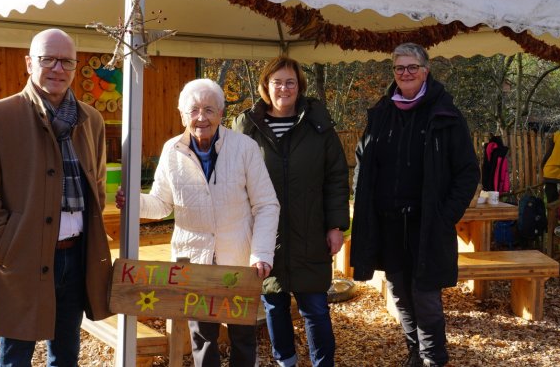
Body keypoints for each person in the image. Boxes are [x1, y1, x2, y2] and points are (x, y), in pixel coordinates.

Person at [0, 28, 112, 366]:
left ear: (75, 67)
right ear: (29, 63)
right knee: (16, 355)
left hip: (77, 255)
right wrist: (2, 244)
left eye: (67, 61)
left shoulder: (91, 120)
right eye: (48, 59)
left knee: (66, 354)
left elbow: (97, 182)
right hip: (21, 256)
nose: (58, 68)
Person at [116, 78, 279, 367]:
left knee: (242, 336)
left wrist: (262, 253)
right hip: (194, 262)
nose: (201, 117)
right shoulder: (172, 150)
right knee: (203, 338)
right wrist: (133, 201)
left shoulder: (245, 147)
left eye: (209, 109)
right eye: (193, 110)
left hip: (239, 260)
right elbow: (162, 204)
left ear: (221, 113)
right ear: (182, 115)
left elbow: (266, 204)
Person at [350, 43, 479, 367]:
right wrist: (362, 200)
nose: (405, 73)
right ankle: (415, 354)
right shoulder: (381, 113)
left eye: (412, 67)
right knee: (400, 294)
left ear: (425, 71)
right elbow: (363, 160)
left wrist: (446, 216)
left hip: (427, 225)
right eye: (399, 68)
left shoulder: (445, 114)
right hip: (389, 223)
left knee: (426, 296)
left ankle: (434, 357)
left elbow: (467, 172)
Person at [233, 56, 349, 367]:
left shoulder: (318, 125)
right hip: (265, 235)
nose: (283, 89)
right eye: (277, 82)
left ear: (299, 87)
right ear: (265, 86)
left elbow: (336, 177)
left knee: (315, 307)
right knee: (274, 304)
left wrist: (336, 225)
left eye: (290, 82)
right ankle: (286, 361)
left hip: (310, 230)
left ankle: (323, 363)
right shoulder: (246, 126)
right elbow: (232, 179)